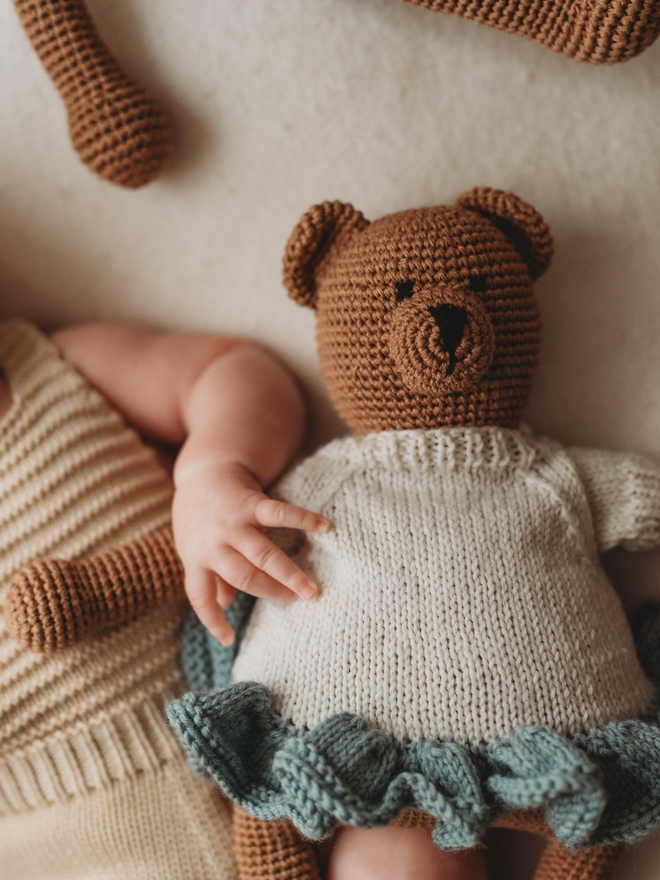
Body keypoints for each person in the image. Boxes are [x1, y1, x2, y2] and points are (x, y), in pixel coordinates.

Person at [0, 317, 327, 879]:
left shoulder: (54, 364)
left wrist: (213, 469)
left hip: (270, 713)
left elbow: (229, 370)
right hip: (52, 835)